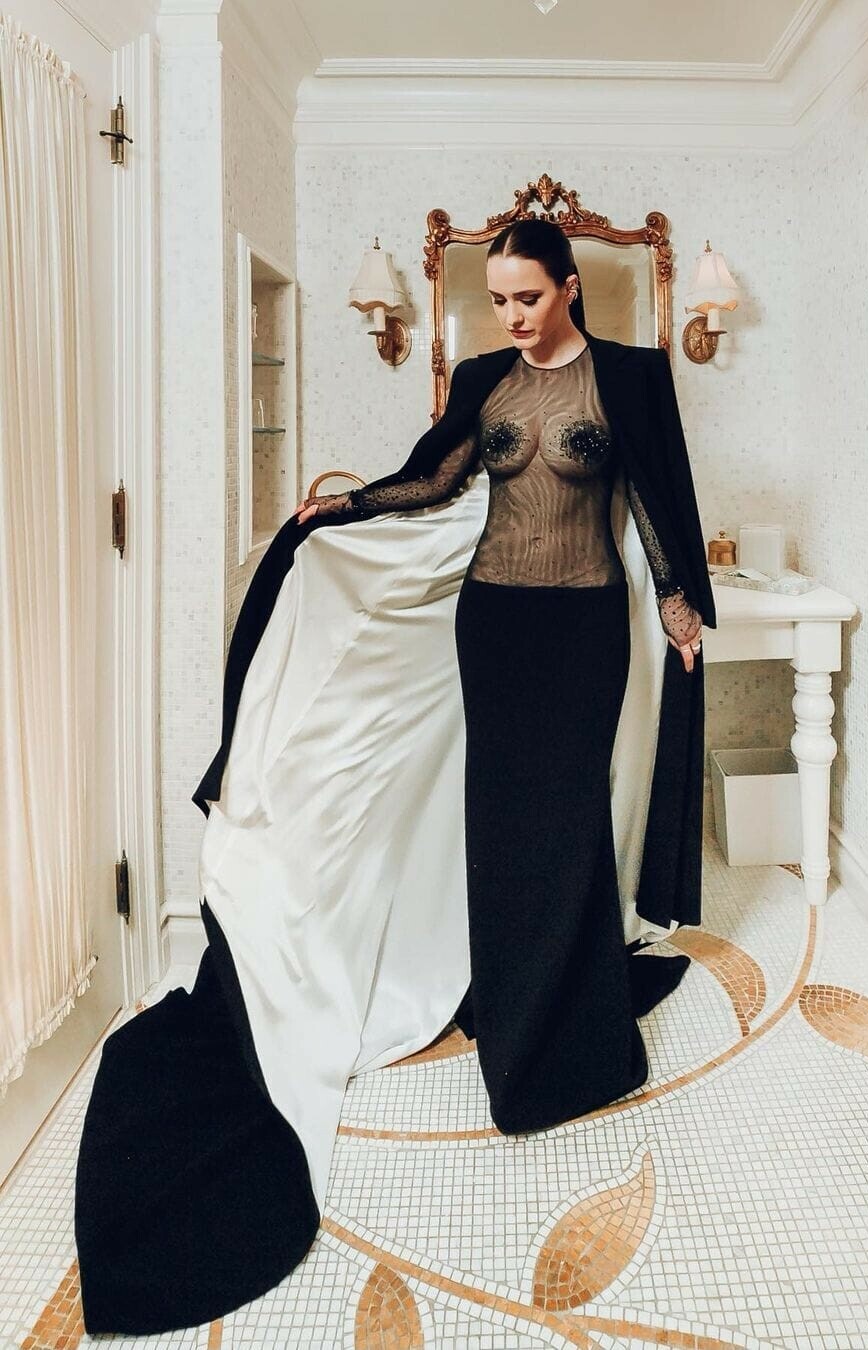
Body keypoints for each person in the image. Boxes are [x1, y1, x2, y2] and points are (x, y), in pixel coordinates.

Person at [73, 217, 717, 1333]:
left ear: (570, 287)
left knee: (569, 821)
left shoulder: (631, 378)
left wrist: (677, 601)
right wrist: (345, 507)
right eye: (498, 300)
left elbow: (660, 497)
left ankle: (566, 1042)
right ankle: (508, 1016)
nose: (512, 317)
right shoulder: (483, 379)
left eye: (528, 298)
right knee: (500, 828)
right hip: (492, 625)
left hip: (583, 632)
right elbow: (437, 480)